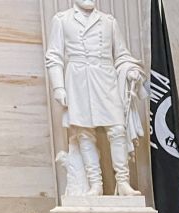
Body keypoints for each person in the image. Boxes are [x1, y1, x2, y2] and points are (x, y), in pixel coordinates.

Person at [45, 0, 146, 196]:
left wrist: (130, 70)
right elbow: (53, 56)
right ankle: (95, 184)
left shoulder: (109, 22)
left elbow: (122, 55)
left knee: (117, 129)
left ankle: (123, 182)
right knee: (84, 132)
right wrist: (59, 87)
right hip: (78, 81)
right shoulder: (62, 20)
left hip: (106, 79)